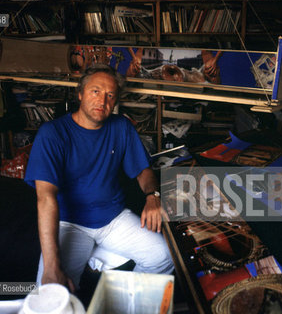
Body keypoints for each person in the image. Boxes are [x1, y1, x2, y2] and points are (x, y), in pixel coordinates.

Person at [24, 64, 174, 292]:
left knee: (165, 256)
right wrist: (52, 266)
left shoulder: (121, 126)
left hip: (113, 218)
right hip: (70, 222)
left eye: (110, 95)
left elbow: (144, 170)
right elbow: (45, 198)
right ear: (80, 94)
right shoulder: (52, 133)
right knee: (52, 292)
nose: (102, 101)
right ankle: (90, 261)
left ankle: (124, 304)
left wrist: (152, 196)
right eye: (95, 91)